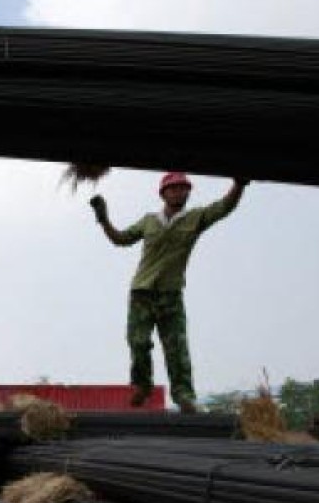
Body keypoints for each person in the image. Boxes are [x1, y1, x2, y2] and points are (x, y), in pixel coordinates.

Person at [89, 172, 248, 413]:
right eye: (173, 188)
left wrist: (239, 184)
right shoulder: (149, 221)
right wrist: (103, 220)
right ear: (162, 193)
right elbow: (120, 239)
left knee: (177, 348)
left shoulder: (195, 218)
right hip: (142, 292)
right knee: (138, 342)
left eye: (183, 188)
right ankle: (142, 385)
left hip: (171, 294)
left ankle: (184, 395)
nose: (179, 192)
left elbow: (224, 207)